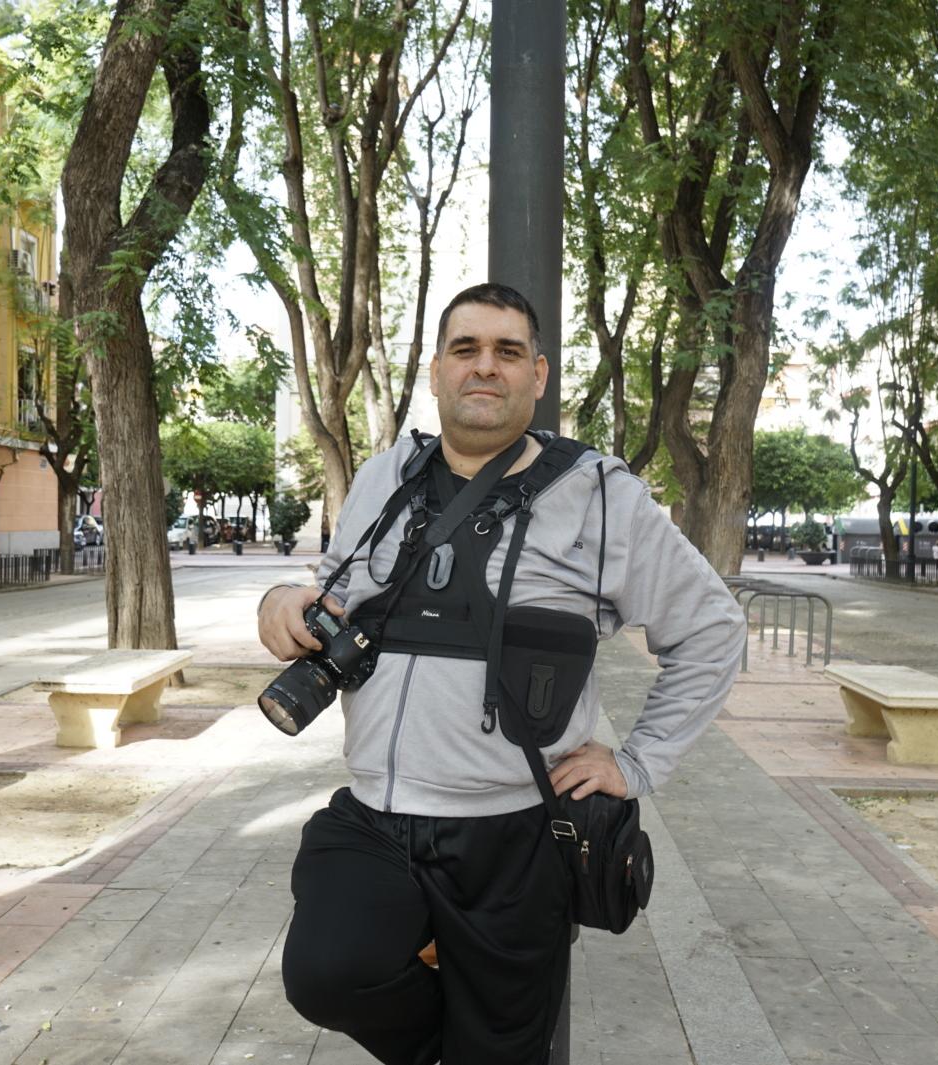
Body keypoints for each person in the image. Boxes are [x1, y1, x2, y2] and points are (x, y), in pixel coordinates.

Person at [257, 283, 745, 1065]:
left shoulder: (600, 494)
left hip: (517, 835)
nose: (485, 367)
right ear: (436, 371)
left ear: (539, 375)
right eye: (466, 349)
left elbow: (714, 630)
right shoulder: (385, 477)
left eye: (508, 352)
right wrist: (280, 603)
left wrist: (635, 760)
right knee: (325, 972)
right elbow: (333, 594)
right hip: (377, 814)